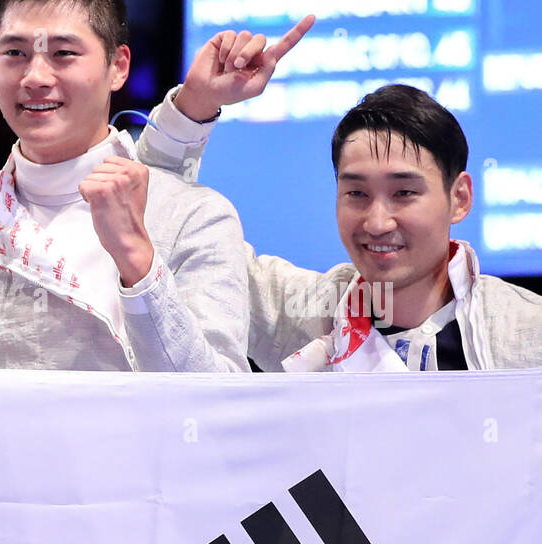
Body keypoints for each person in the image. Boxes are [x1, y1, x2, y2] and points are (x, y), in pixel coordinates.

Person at [137, 20, 542, 371]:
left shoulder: (525, 332)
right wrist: (195, 105)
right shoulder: (306, 312)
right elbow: (164, 219)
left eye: (404, 192)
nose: (378, 222)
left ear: (460, 198)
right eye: (357, 193)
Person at [0, 0, 251, 372]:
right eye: (15, 53)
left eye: (64, 53)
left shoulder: (195, 217)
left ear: (117, 66)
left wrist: (138, 260)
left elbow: (216, 405)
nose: (35, 77)